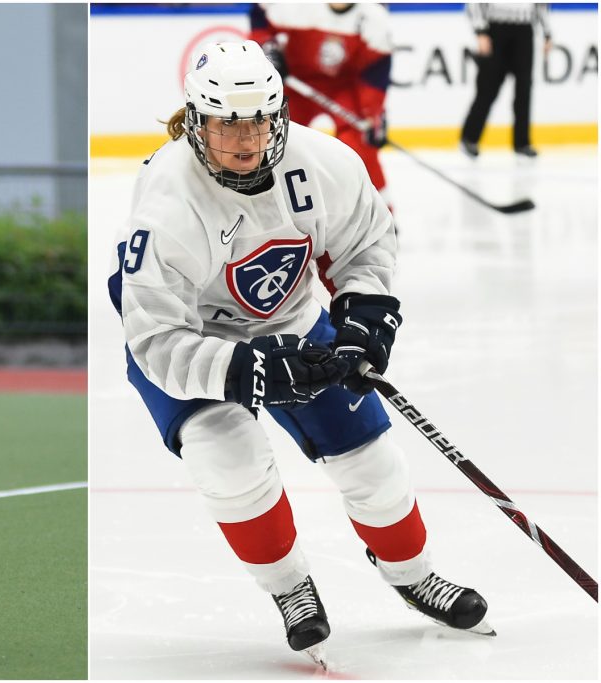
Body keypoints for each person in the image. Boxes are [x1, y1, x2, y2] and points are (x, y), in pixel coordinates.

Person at [107, 40, 491, 665]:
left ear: (280, 115)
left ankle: (413, 575)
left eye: (259, 119)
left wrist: (364, 319)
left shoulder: (323, 163)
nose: (246, 138)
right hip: (191, 339)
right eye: (227, 123)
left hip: (291, 318)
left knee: (372, 462)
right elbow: (154, 339)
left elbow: (367, 243)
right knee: (229, 462)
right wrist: (250, 370)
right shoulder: (166, 202)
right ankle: (290, 589)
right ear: (197, 122)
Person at [249, 3, 393, 207]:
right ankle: (266, 205)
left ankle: (381, 210)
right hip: (296, 85)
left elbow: (375, 70)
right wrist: (267, 46)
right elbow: (260, 15)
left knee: (360, 143)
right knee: (276, 138)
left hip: (344, 87)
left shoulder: (373, 17)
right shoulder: (296, 6)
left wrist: (373, 113)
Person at [460, 3, 552, 159]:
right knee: (488, 87)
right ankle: (469, 137)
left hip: (524, 29)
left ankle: (522, 143)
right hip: (495, 29)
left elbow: (541, 5)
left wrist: (547, 32)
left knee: (524, 88)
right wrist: (480, 31)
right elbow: (474, 4)